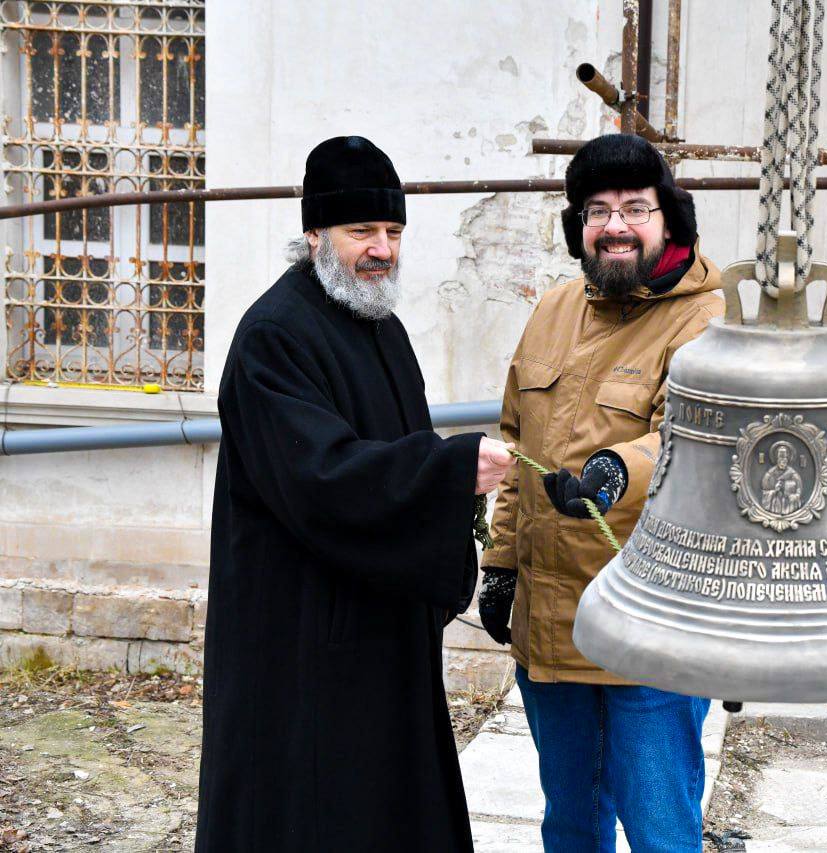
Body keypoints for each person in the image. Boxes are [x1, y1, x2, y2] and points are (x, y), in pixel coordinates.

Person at [195, 135, 513, 852]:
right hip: (300, 644)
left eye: (393, 232)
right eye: (361, 231)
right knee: (310, 812)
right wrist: (447, 470)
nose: (381, 250)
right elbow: (322, 477)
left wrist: (446, 477)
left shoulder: (381, 328)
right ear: (314, 235)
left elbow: (400, 450)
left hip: (378, 636)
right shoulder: (274, 336)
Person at [477, 133, 725, 852]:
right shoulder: (553, 309)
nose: (615, 225)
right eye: (597, 210)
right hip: (554, 633)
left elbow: (693, 440)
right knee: (572, 824)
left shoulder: (704, 321)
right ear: (578, 227)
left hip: (653, 639)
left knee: (658, 833)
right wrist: (498, 568)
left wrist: (620, 468)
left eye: (635, 209)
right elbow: (516, 441)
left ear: (669, 221)